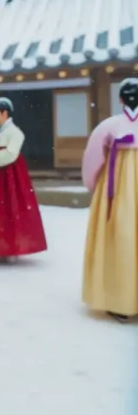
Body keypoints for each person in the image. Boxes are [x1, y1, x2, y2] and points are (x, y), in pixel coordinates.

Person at [82, 77, 138, 322]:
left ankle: (120, 299)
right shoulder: (109, 125)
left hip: (116, 183)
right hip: (119, 180)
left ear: (120, 99)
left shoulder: (109, 125)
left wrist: (94, 186)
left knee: (119, 238)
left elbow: (93, 159)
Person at [0, 97, 47, 262]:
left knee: (11, 210)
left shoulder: (16, 133)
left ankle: (12, 248)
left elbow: (9, 155)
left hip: (11, 178)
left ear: (5, 113)